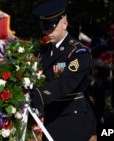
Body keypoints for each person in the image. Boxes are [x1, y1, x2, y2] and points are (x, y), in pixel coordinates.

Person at [29, 0, 97, 141]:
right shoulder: (45, 51)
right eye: (45, 27)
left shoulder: (78, 52)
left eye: (51, 27)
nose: (47, 31)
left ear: (64, 24)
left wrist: (36, 95)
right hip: (51, 115)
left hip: (71, 117)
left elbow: (65, 83)